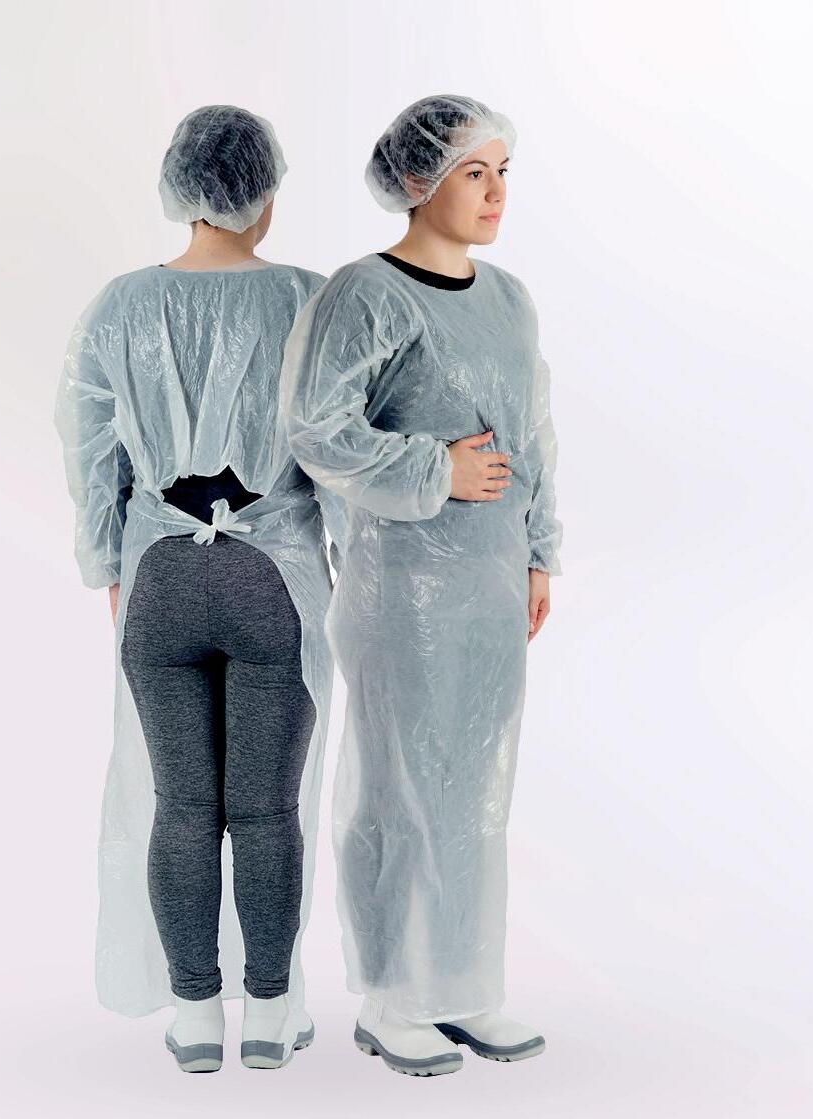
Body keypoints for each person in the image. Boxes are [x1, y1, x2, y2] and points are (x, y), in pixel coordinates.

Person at [280, 94, 563, 1076]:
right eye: (472, 172)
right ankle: (393, 995)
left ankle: (463, 983)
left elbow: (534, 436)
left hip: (489, 580)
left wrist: (538, 549)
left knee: (476, 787)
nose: (494, 193)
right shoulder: (365, 294)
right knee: (398, 785)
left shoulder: (510, 299)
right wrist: (435, 469)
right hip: (399, 585)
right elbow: (317, 429)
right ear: (416, 180)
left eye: (502, 172)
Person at [54, 105, 334, 1072]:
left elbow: (89, 447)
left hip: (160, 577)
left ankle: (194, 1017)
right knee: (263, 810)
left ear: (183, 190)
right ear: (262, 192)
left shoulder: (121, 305)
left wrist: (110, 563)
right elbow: (338, 453)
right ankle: (270, 1015)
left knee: (181, 806)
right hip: (272, 577)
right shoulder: (307, 301)